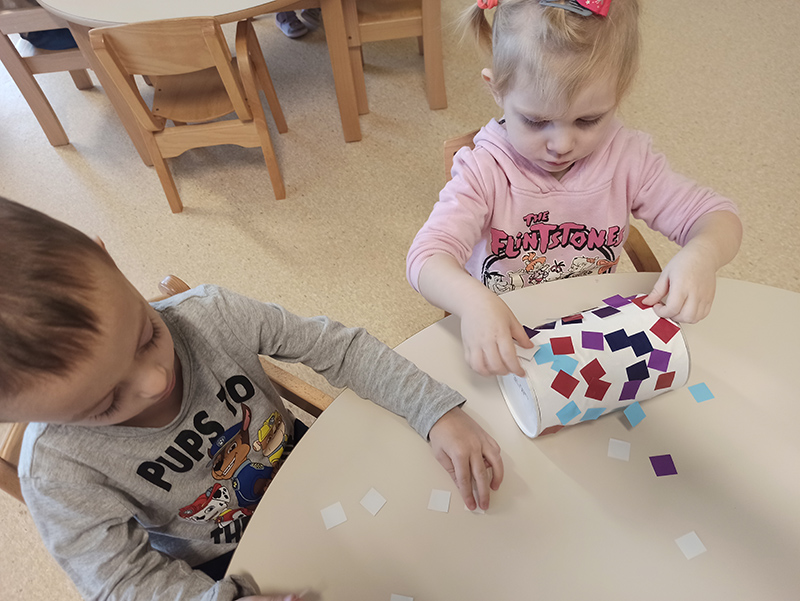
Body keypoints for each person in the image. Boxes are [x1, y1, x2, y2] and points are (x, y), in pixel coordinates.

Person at [0, 196, 503, 601]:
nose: (154, 381)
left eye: (146, 335)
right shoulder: (58, 472)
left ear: (108, 261)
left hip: (312, 466)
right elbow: (120, 582)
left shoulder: (210, 314)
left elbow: (339, 348)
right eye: (106, 402)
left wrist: (432, 410)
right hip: (223, 563)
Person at [406, 0, 742, 378]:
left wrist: (703, 254)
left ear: (619, 94)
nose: (562, 145)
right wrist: (472, 303)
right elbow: (426, 257)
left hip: (592, 336)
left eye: (588, 120)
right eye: (536, 121)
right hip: (510, 338)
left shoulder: (627, 158)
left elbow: (717, 217)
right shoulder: (485, 170)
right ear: (496, 90)